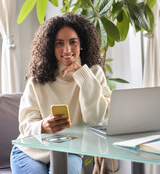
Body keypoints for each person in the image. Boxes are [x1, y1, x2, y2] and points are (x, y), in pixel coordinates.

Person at [10, 13, 111, 174]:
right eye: (59, 43)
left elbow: (96, 119)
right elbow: (25, 125)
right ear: (51, 46)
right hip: (30, 152)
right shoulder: (38, 78)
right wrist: (42, 126)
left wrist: (83, 75)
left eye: (73, 42)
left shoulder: (94, 74)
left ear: (82, 44)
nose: (67, 49)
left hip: (69, 152)